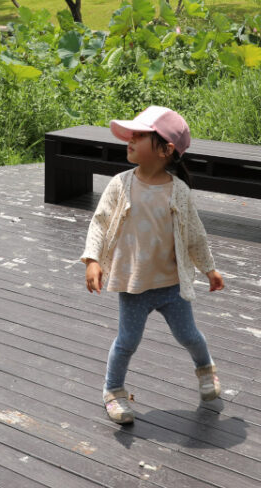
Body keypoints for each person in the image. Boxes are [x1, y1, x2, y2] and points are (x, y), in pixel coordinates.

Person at [80, 105, 225, 424]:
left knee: (189, 335)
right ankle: (113, 390)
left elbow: (195, 236)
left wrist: (209, 269)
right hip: (134, 286)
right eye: (131, 134)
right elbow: (100, 223)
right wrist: (92, 259)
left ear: (165, 150)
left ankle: (206, 370)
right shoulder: (121, 184)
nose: (130, 140)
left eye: (140, 136)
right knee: (127, 341)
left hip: (172, 286)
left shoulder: (179, 192)